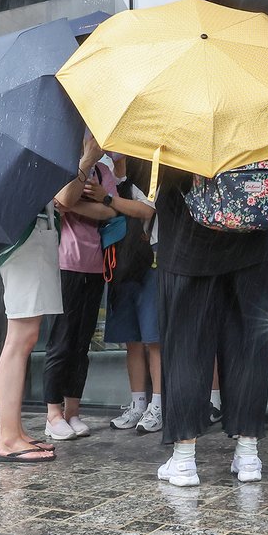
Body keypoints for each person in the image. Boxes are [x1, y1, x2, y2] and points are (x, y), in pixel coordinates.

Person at [155, 160, 268, 486]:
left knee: (185, 348)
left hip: (189, 244)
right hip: (251, 238)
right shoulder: (257, 115)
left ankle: (183, 460)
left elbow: (157, 182)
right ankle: (249, 454)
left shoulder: (174, 116)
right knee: (248, 347)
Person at [0, 135, 103, 462]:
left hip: (38, 240)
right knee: (20, 338)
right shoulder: (24, 145)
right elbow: (63, 199)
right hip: (25, 242)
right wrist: (85, 160)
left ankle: (16, 433)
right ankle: (9, 438)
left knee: (24, 338)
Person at [41, 155, 117, 441]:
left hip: (95, 265)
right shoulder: (63, 165)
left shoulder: (104, 170)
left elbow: (110, 211)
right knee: (61, 341)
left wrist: (76, 205)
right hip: (65, 264)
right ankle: (53, 414)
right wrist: (84, 164)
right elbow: (61, 200)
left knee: (81, 344)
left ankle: (73, 411)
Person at [94, 157, 164, 435]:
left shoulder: (149, 168)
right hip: (119, 262)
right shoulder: (104, 170)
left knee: (153, 339)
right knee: (131, 340)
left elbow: (147, 210)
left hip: (149, 262)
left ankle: (158, 406)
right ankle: (138, 404)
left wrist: (108, 199)